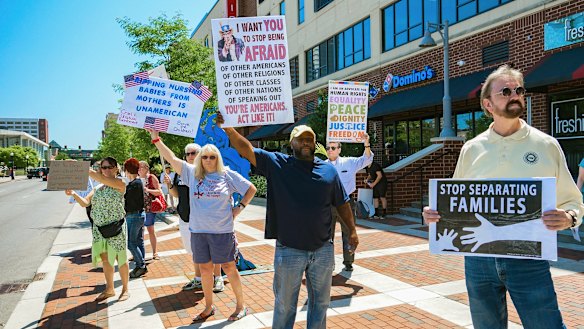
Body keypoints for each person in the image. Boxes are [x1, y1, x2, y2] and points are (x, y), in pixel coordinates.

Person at [423, 65, 583, 329]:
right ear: (488, 104)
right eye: (505, 91)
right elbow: (453, 201)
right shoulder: (472, 149)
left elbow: (572, 200)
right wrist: (434, 215)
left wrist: (569, 217)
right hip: (478, 260)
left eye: (519, 90)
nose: (515, 95)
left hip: (528, 258)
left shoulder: (546, 145)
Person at [217, 113, 359, 329]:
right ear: (291, 143)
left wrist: (353, 231)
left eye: (309, 139)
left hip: (322, 250)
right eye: (300, 139)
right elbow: (245, 149)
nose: (305, 142)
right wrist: (228, 129)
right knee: (285, 306)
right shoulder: (277, 163)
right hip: (289, 250)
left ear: (314, 143)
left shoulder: (329, 170)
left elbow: (342, 203)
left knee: (320, 304)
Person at [150, 131, 256, 322]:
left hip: (222, 232)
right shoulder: (192, 174)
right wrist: (156, 139)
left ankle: (241, 306)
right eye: (204, 156)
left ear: (218, 158)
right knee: (205, 270)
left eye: (212, 156)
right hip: (199, 232)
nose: (208, 160)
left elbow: (251, 189)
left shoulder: (226, 175)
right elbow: (171, 158)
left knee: (229, 268)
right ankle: (209, 306)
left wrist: (238, 208)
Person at [65, 157, 130, 302]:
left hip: (116, 227)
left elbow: (98, 177)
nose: (106, 170)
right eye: (103, 167)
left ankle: (125, 289)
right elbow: (85, 203)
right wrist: (74, 194)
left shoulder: (120, 183)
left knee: (121, 258)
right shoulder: (97, 188)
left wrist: (81, 167)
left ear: (116, 169)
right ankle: (110, 289)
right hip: (99, 229)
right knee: (106, 260)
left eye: (109, 167)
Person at [163, 143, 225, 293]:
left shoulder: (207, 173)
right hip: (185, 217)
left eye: (194, 153)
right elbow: (177, 194)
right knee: (194, 251)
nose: (191, 156)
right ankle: (198, 278)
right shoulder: (181, 173)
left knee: (213, 249)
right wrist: (170, 185)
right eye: (188, 153)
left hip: (204, 219)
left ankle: (217, 278)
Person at [325, 138, 372, 271]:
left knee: (349, 233)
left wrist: (366, 144)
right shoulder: (322, 165)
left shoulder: (349, 162)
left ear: (339, 149)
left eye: (333, 148)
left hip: (346, 202)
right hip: (328, 203)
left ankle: (349, 261)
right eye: (328, 148)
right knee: (327, 235)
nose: (330, 150)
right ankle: (329, 263)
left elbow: (367, 160)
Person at [124, 158, 147, 278]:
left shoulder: (133, 184)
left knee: (131, 243)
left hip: (134, 216)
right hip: (139, 215)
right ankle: (141, 263)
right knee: (138, 241)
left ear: (127, 170)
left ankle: (141, 265)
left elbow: (130, 203)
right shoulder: (137, 183)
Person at [138, 161, 163, 260]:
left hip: (149, 208)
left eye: (142, 167)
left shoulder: (151, 177)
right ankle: (139, 253)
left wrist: (147, 190)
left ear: (147, 168)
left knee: (150, 230)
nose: (139, 169)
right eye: (138, 167)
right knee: (139, 232)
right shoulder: (135, 178)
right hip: (139, 208)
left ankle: (155, 252)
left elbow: (159, 192)